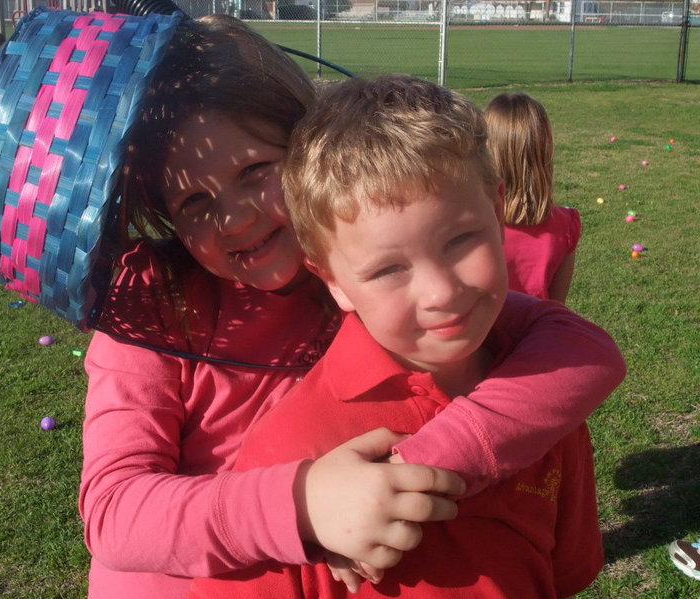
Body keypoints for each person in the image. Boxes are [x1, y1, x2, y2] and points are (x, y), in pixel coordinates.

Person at [79, 16, 625, 599]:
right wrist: (304, 504)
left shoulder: (374, 273)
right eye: (193, 200)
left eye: (257, 171)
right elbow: (114, 512)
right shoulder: (148, 304)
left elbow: (577, 348)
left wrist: (414, 467)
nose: (235, 217)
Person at [189, 74, 611, 599]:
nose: (440, 292)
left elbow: (563, 573)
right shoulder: (292, 454)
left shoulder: (545, 400)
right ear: (333, 281)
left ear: (497, 213)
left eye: (461, 239)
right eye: (388, 270)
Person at [485, 92, 580, 302]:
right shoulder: (567, 225)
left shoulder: (473, 223)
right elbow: (555, 308)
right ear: (544, 152)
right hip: (536, 334)